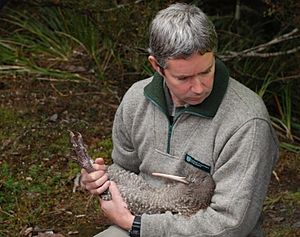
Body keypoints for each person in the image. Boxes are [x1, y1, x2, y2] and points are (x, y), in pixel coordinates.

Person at [80, 3, 279, 237]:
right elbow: (124, 169)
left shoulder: (247, 122)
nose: (199, 88)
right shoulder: (136, 99)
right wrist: (98, 180)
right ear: (156, 66)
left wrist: (137, 225)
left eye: (206, 71)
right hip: (141, 222)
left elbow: (231, 223)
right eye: (183, 77)